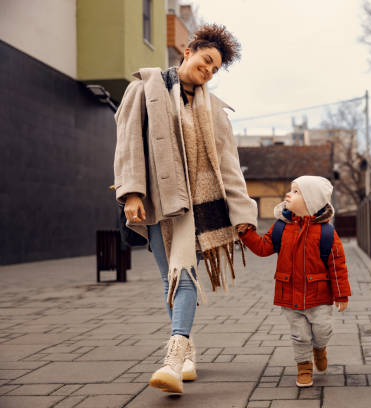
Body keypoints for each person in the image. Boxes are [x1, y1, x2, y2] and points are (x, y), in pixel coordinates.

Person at [113, 24, 257, 393]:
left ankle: (174, 360)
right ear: (190, 50)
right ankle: (189, 352)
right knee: (170, 278)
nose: (208, 71)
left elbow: (228, 165)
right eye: (206, 61)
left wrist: (243, 216)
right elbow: (128, 144)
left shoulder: (215, 110)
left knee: (185, 275)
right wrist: (131, 194)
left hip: (200, 207)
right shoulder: (144, 88)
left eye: (214, 69)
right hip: (160, 202)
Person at [238, 176, 351, 387]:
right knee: (300, 336)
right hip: (290, 295)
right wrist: (246, 233)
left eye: (296, 192)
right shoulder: (281, 227)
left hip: (319, 296)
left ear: (312, 201)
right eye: (291, 190)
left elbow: (337, 264)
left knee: (322, 330)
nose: (289, 194)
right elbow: (263, 248)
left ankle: (320, 348)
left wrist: (341, 294)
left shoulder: (326, 232)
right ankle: (304, 368)